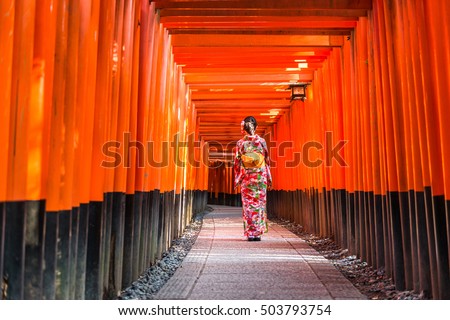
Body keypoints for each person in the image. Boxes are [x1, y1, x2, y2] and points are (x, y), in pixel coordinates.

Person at [234, 116, 272, 241]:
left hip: (247, 176)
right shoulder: (262, 141)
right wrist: (269, 177)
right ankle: (258, 233)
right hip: (261, 176)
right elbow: (266, 160)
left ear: (243, 128)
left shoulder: (240, 143)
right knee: (260, 204)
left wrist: (237, 179)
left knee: (248, 205)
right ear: (256, 127)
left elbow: (237, 162)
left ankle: (250, 233)